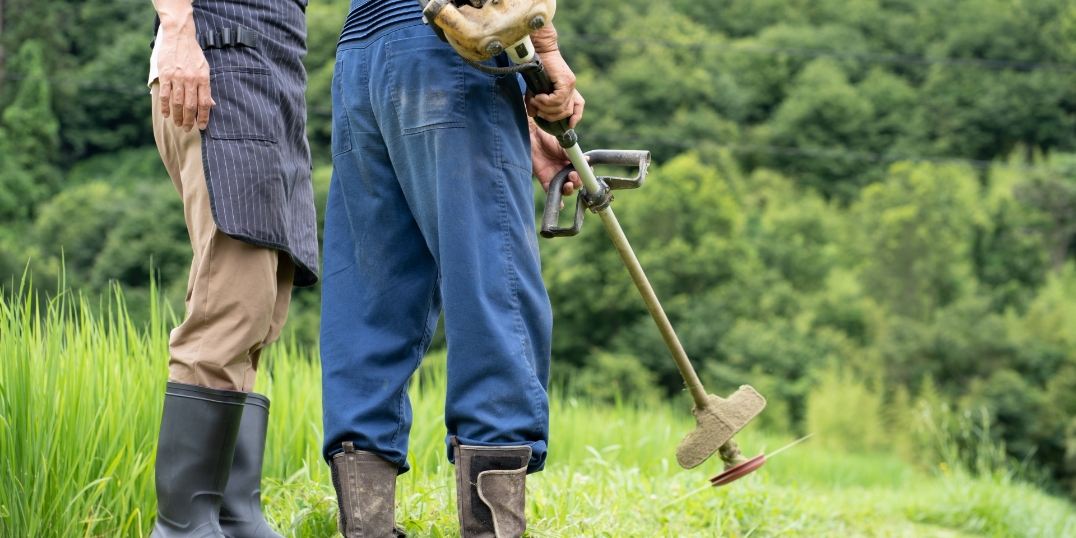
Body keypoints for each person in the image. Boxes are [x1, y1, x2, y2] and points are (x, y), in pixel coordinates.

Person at [319, 0, 584, 536]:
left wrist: (523, 134)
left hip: (360, 58)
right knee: (493, 286)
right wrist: (547, 49)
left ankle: (365, 528)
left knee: (370, 299)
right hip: (448, 43)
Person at [146, 0, 318, 536]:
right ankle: (184, 525)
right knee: (232, 302)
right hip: (218, 64)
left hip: (274, 81)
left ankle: (231, 513)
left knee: (261, 311)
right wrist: (177, 29)